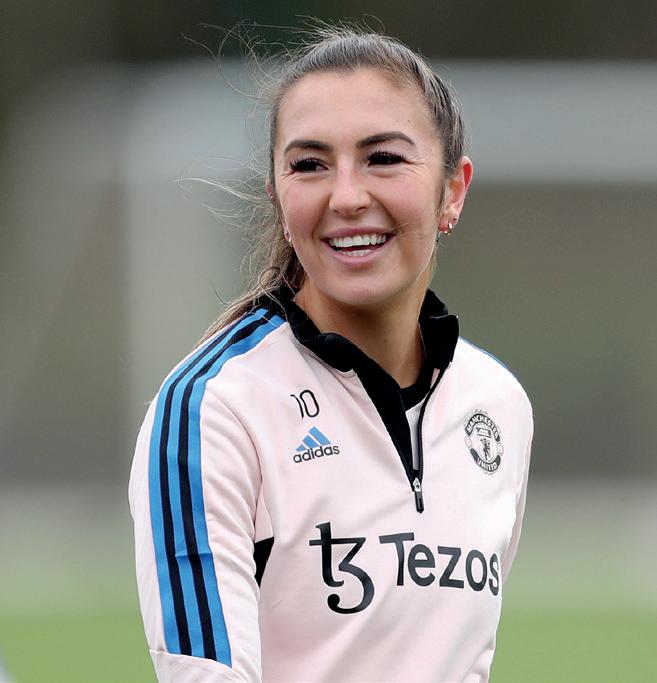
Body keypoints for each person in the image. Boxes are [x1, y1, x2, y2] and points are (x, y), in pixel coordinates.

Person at [129, 25, 533, 683]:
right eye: (309, 164)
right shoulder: (212, 410)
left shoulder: (498, 404)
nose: (346, 197)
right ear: (277, 195)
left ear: (452, 191)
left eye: (383, 158)